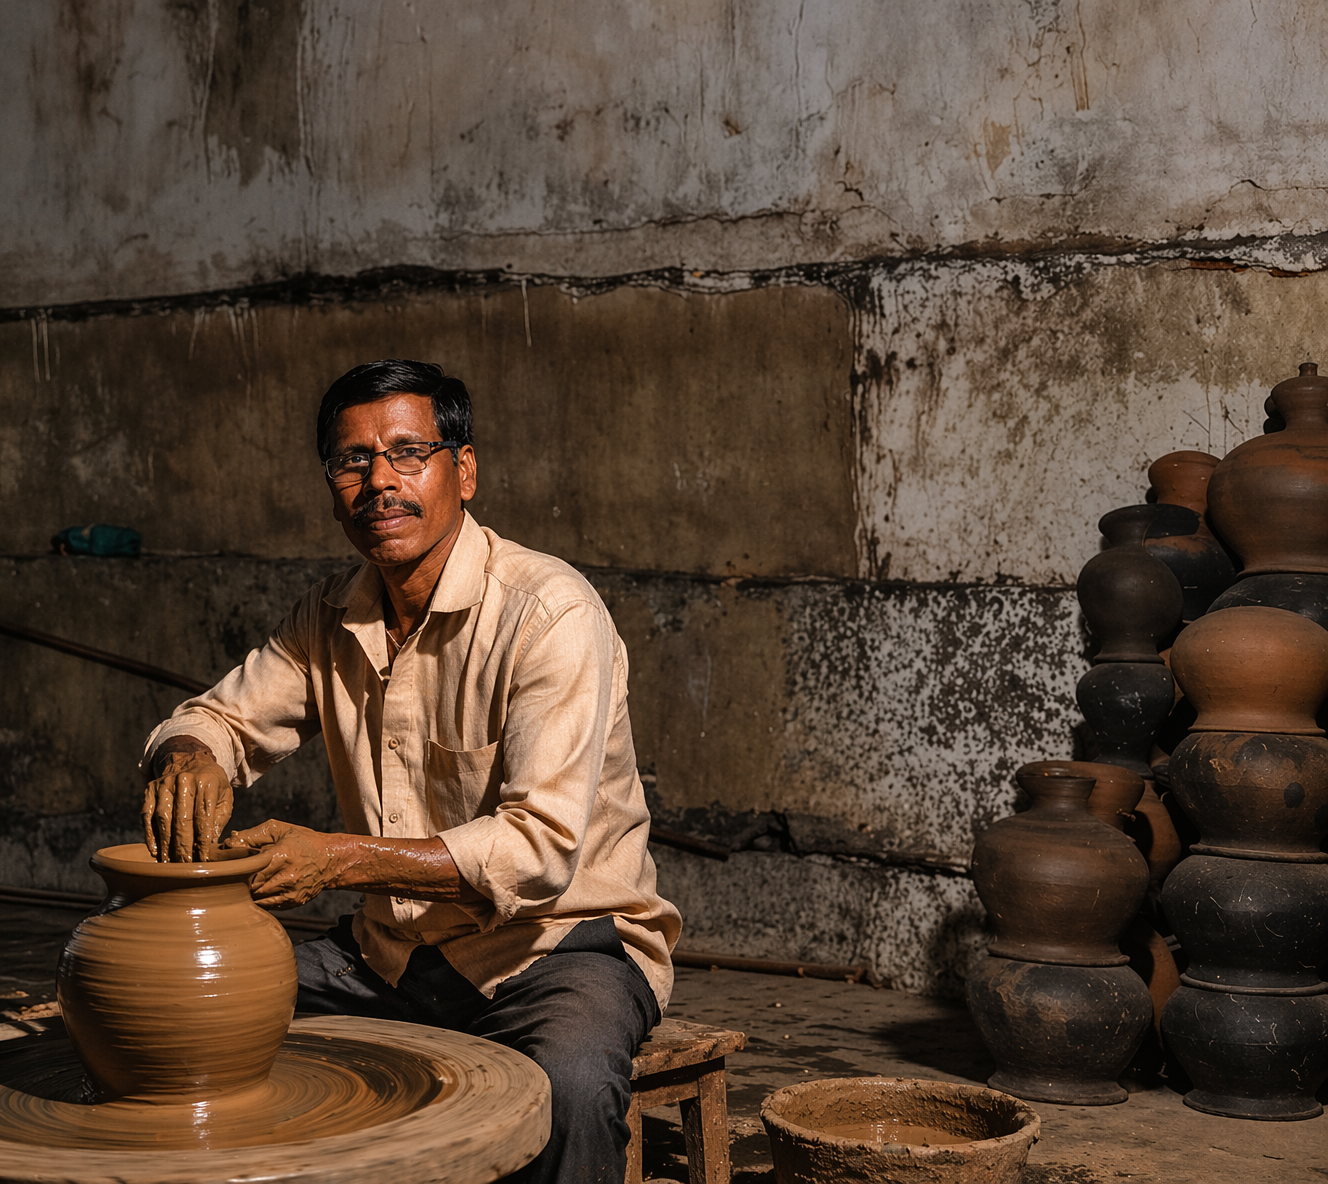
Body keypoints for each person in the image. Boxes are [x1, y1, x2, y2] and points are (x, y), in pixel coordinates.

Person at [140, 359, 681, 1184]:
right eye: (352, 460)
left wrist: (341, 859)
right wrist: (189, 755)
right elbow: (216, 719)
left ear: (463, 470)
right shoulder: (328, 617)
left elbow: (540, 852)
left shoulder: (548, 612)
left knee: (567, 1088)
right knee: (182, 1024)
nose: (378, 483)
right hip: (390, 956)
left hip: (555, 951)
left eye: (408, 453)